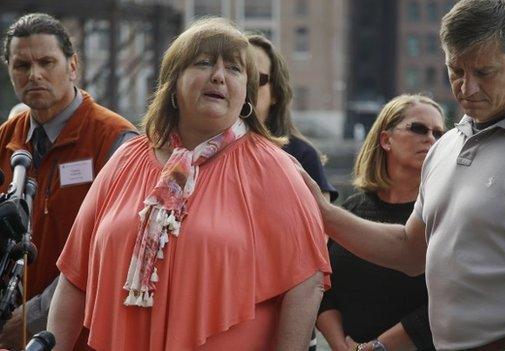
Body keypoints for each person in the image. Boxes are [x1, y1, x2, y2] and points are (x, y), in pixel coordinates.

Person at [297, 1, 505, 350]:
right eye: (456, 70)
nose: (467, 88)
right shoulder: (446, 146)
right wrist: (324, 215)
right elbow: (410, 251)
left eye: (484, 72)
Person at [47, 17, 331, 351]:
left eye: (235, 69)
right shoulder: (125, 161)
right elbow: (74, 277)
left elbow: (306, 280)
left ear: (247, 95)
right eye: (204, 62)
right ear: (173, 84)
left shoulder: (275, 169)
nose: (218, 76)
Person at [0, 13, 137, 350]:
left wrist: (33, 316)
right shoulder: (5, 141)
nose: (35, 74)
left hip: (80, 337)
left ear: (73, 66)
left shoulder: (117, 141)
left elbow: (115, 253)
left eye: (47, 62)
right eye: (21, 65)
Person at [316, 94, 442, 351]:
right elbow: (323, 288)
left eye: (439, 133)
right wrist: (340, 346)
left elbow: (449, 299)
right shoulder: (352, 211)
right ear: (386, 139)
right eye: (419, 128)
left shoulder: (442, 213)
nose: (431, 138)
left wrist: (377, 347)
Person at [247, 34, 338, 203]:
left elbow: (320, 225)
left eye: (256, 78)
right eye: (238, 74)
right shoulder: (208, 147)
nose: (245, 86)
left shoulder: (303, 155)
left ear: (275, 93)